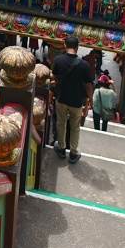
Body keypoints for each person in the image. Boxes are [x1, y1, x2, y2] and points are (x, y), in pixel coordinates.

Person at [51, 35, 94, 163]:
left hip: (61, 98)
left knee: (61, 123)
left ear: (65, 45)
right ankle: (74, 153)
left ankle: (62, 148)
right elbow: (88, 85)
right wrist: (90, 101)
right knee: (75, 127)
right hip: (77, 101)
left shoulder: (58, 60)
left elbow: (54, 78)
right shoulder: (84, 65)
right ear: (77, 47)